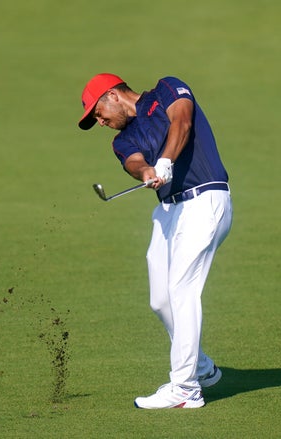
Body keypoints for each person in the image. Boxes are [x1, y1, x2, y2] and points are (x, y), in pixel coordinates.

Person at [78, 73, 233, 409]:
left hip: (205, 199)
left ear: (113, 95)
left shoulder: (166, 89)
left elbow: (182, 120)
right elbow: (133, 161)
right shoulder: (121, 141)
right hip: (168, 212)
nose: (100, 121)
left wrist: (165, 160)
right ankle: (202, 369)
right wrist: (147, 171)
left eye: (98, 112)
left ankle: (185, 388)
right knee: (161, 299)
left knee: (181, 290)